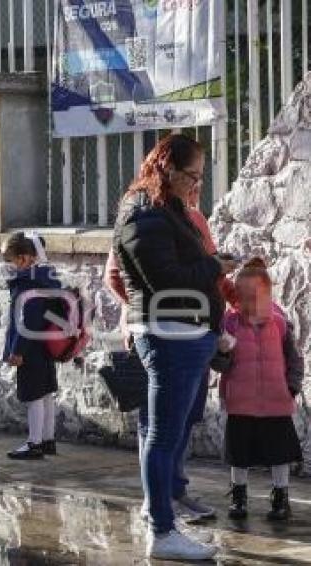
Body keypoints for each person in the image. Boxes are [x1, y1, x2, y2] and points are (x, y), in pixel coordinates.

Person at [113, 134, 238, 560]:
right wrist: (213, 266)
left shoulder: (164, 209)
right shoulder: (145, 212)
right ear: (166, 166)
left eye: (202, 177)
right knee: (163, 436)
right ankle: (162, 531)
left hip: (183, 332)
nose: (197, 185)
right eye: (192, 176)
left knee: (163, 432)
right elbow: (164, 279)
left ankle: (161, 514)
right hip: (170, 334)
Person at [211, 258, 304, 522]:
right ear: (237, 297)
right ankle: (239, 497)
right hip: (241, 401)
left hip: (276, 401)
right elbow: (219, 365)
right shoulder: (230, 324)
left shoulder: (280, 324)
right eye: (244, 297)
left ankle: (280, 497)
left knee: (279, 452)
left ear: (268, 294)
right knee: (239, 453)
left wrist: (292, 386)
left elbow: (294, 359)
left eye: (257, 296)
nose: (250, 303)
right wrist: (222, 353)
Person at [1, 232, 60, 460]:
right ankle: (47, 439)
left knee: (33, 395)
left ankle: (34, 443)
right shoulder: (46, 277)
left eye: (11, 260)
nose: (10, 266)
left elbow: (27, 320)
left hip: (29, 348)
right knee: (46, 393)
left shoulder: (28, 283)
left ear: (25, 258)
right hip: (44, 345)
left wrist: (17, 350)